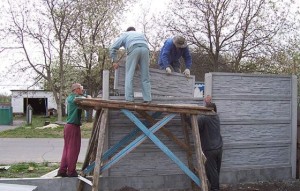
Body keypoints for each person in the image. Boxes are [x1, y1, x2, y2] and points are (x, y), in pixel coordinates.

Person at [109, 26, 152, 103]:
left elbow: (113, 48)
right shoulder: (141, 34)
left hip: (133, 48)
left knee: (129, 75)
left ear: (127, 31)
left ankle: (129, 99)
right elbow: (141, 49)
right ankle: (147, 99)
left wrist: (114, 61)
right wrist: (138, 62)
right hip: (146, 49)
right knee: (145, 76)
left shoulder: (125, 34)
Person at [56, 83, 86, 177]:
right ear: (76, 90)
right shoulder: (76, 98)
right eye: (81, 89)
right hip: (73, 127)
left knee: (67, 149)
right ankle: (71, 171)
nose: (82, 90)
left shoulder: (70, 98)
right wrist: (86, 96)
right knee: (73, 149)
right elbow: (86, 99)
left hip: (69, 126)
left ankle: (62, 170)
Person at [197, 102, 223, 191]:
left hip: (210, 149)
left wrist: (187, 118)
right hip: (219, 147)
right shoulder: (216, 117)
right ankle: (214, 187)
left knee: (212, 171)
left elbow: (194, 126)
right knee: (216, 170)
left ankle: (215, 189)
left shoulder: (204, 119)